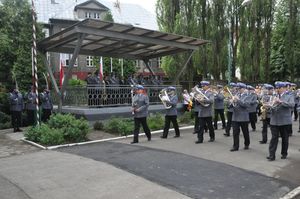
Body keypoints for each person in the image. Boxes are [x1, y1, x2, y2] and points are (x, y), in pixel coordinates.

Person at [267, 81, 294, 161]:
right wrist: (268, 106)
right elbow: (272, 106)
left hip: (284, 121)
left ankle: (284, 153)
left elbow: (292, 105)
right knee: (274, 138)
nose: (277, 89)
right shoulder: (274, 96)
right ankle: (272, 155)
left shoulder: (289, 95)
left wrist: (281, 102)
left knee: (285, 138)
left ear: (284, 88)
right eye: (276, 88)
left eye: (279, 88)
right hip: (274, 120)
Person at [230, 82, 251, 152]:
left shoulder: (247, 96)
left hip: (243, 117)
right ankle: (235, 146)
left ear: (243, 89)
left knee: (245, 132)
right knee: (235, 132)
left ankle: (247, 144)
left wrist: (237, 100)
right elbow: (231, 105)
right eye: (237, 88)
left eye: (239, 88)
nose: (237, 90)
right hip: (235, 116)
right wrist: (231, 102)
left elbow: (246, 105)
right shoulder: (236, 94)